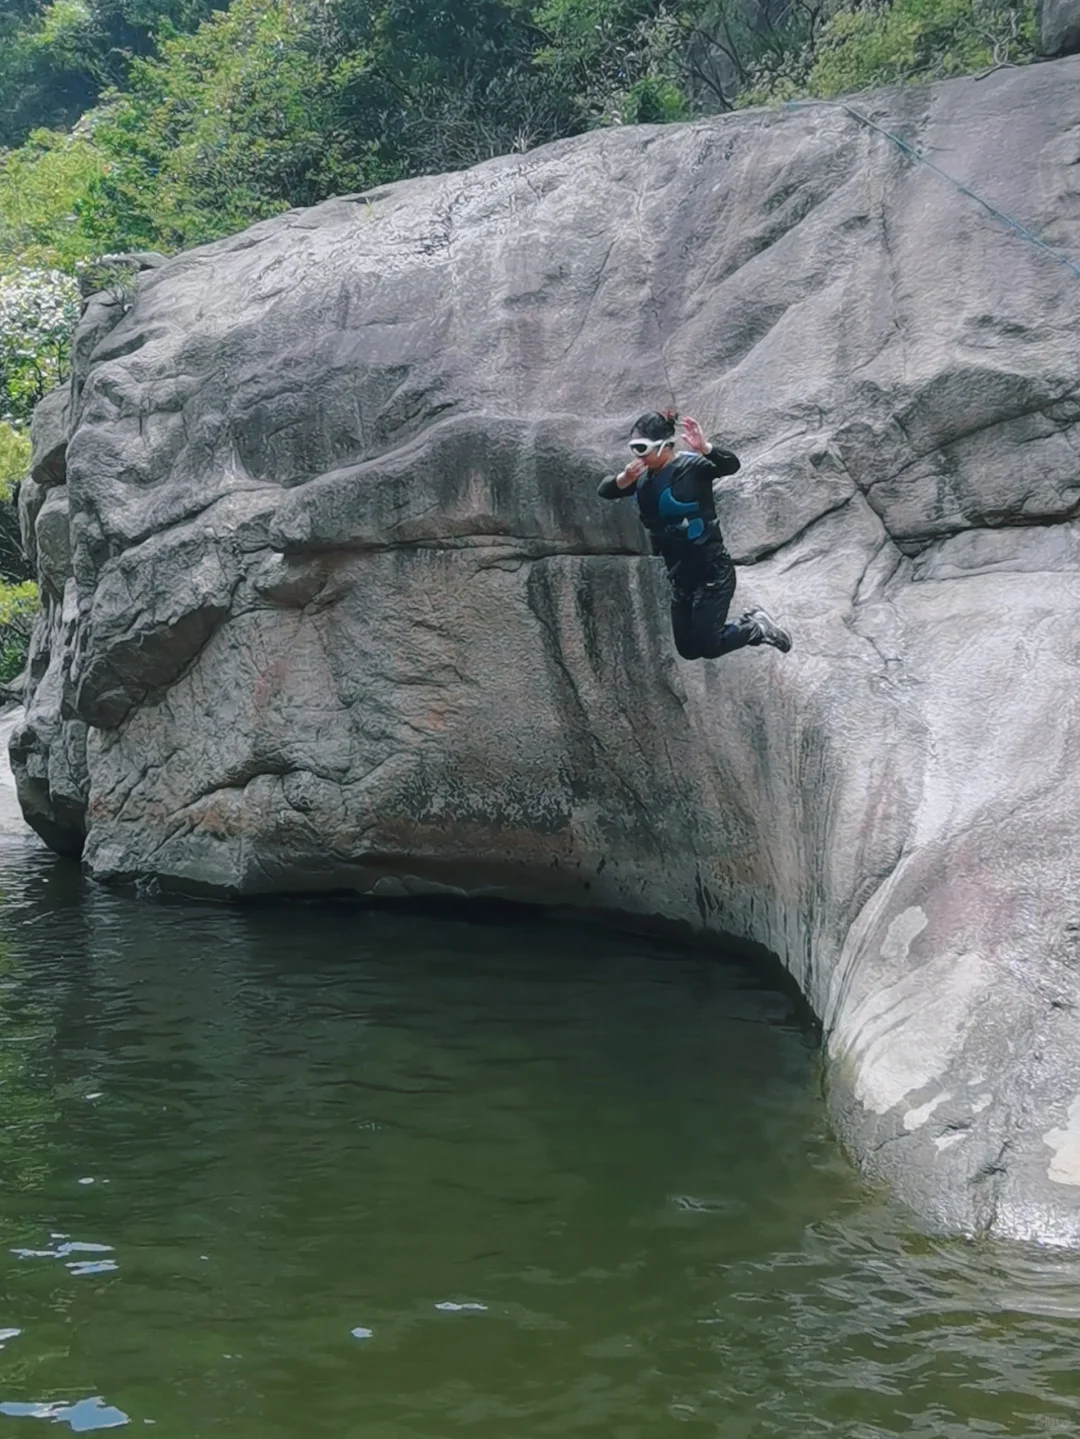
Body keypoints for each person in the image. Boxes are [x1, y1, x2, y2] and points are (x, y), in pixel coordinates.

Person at [597, 408, 792, 661]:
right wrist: (624, 478)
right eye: (634, 448)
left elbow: (731, 465)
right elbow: (605, 490)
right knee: (688, 650)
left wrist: (705, 447)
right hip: (681, 577)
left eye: (642, 448)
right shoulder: (642, 480)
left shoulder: (692, 466)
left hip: (712, 572)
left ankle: (756, 628)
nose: (638, 456)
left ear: (663, 446)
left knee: (709, 646)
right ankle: (752, 627)